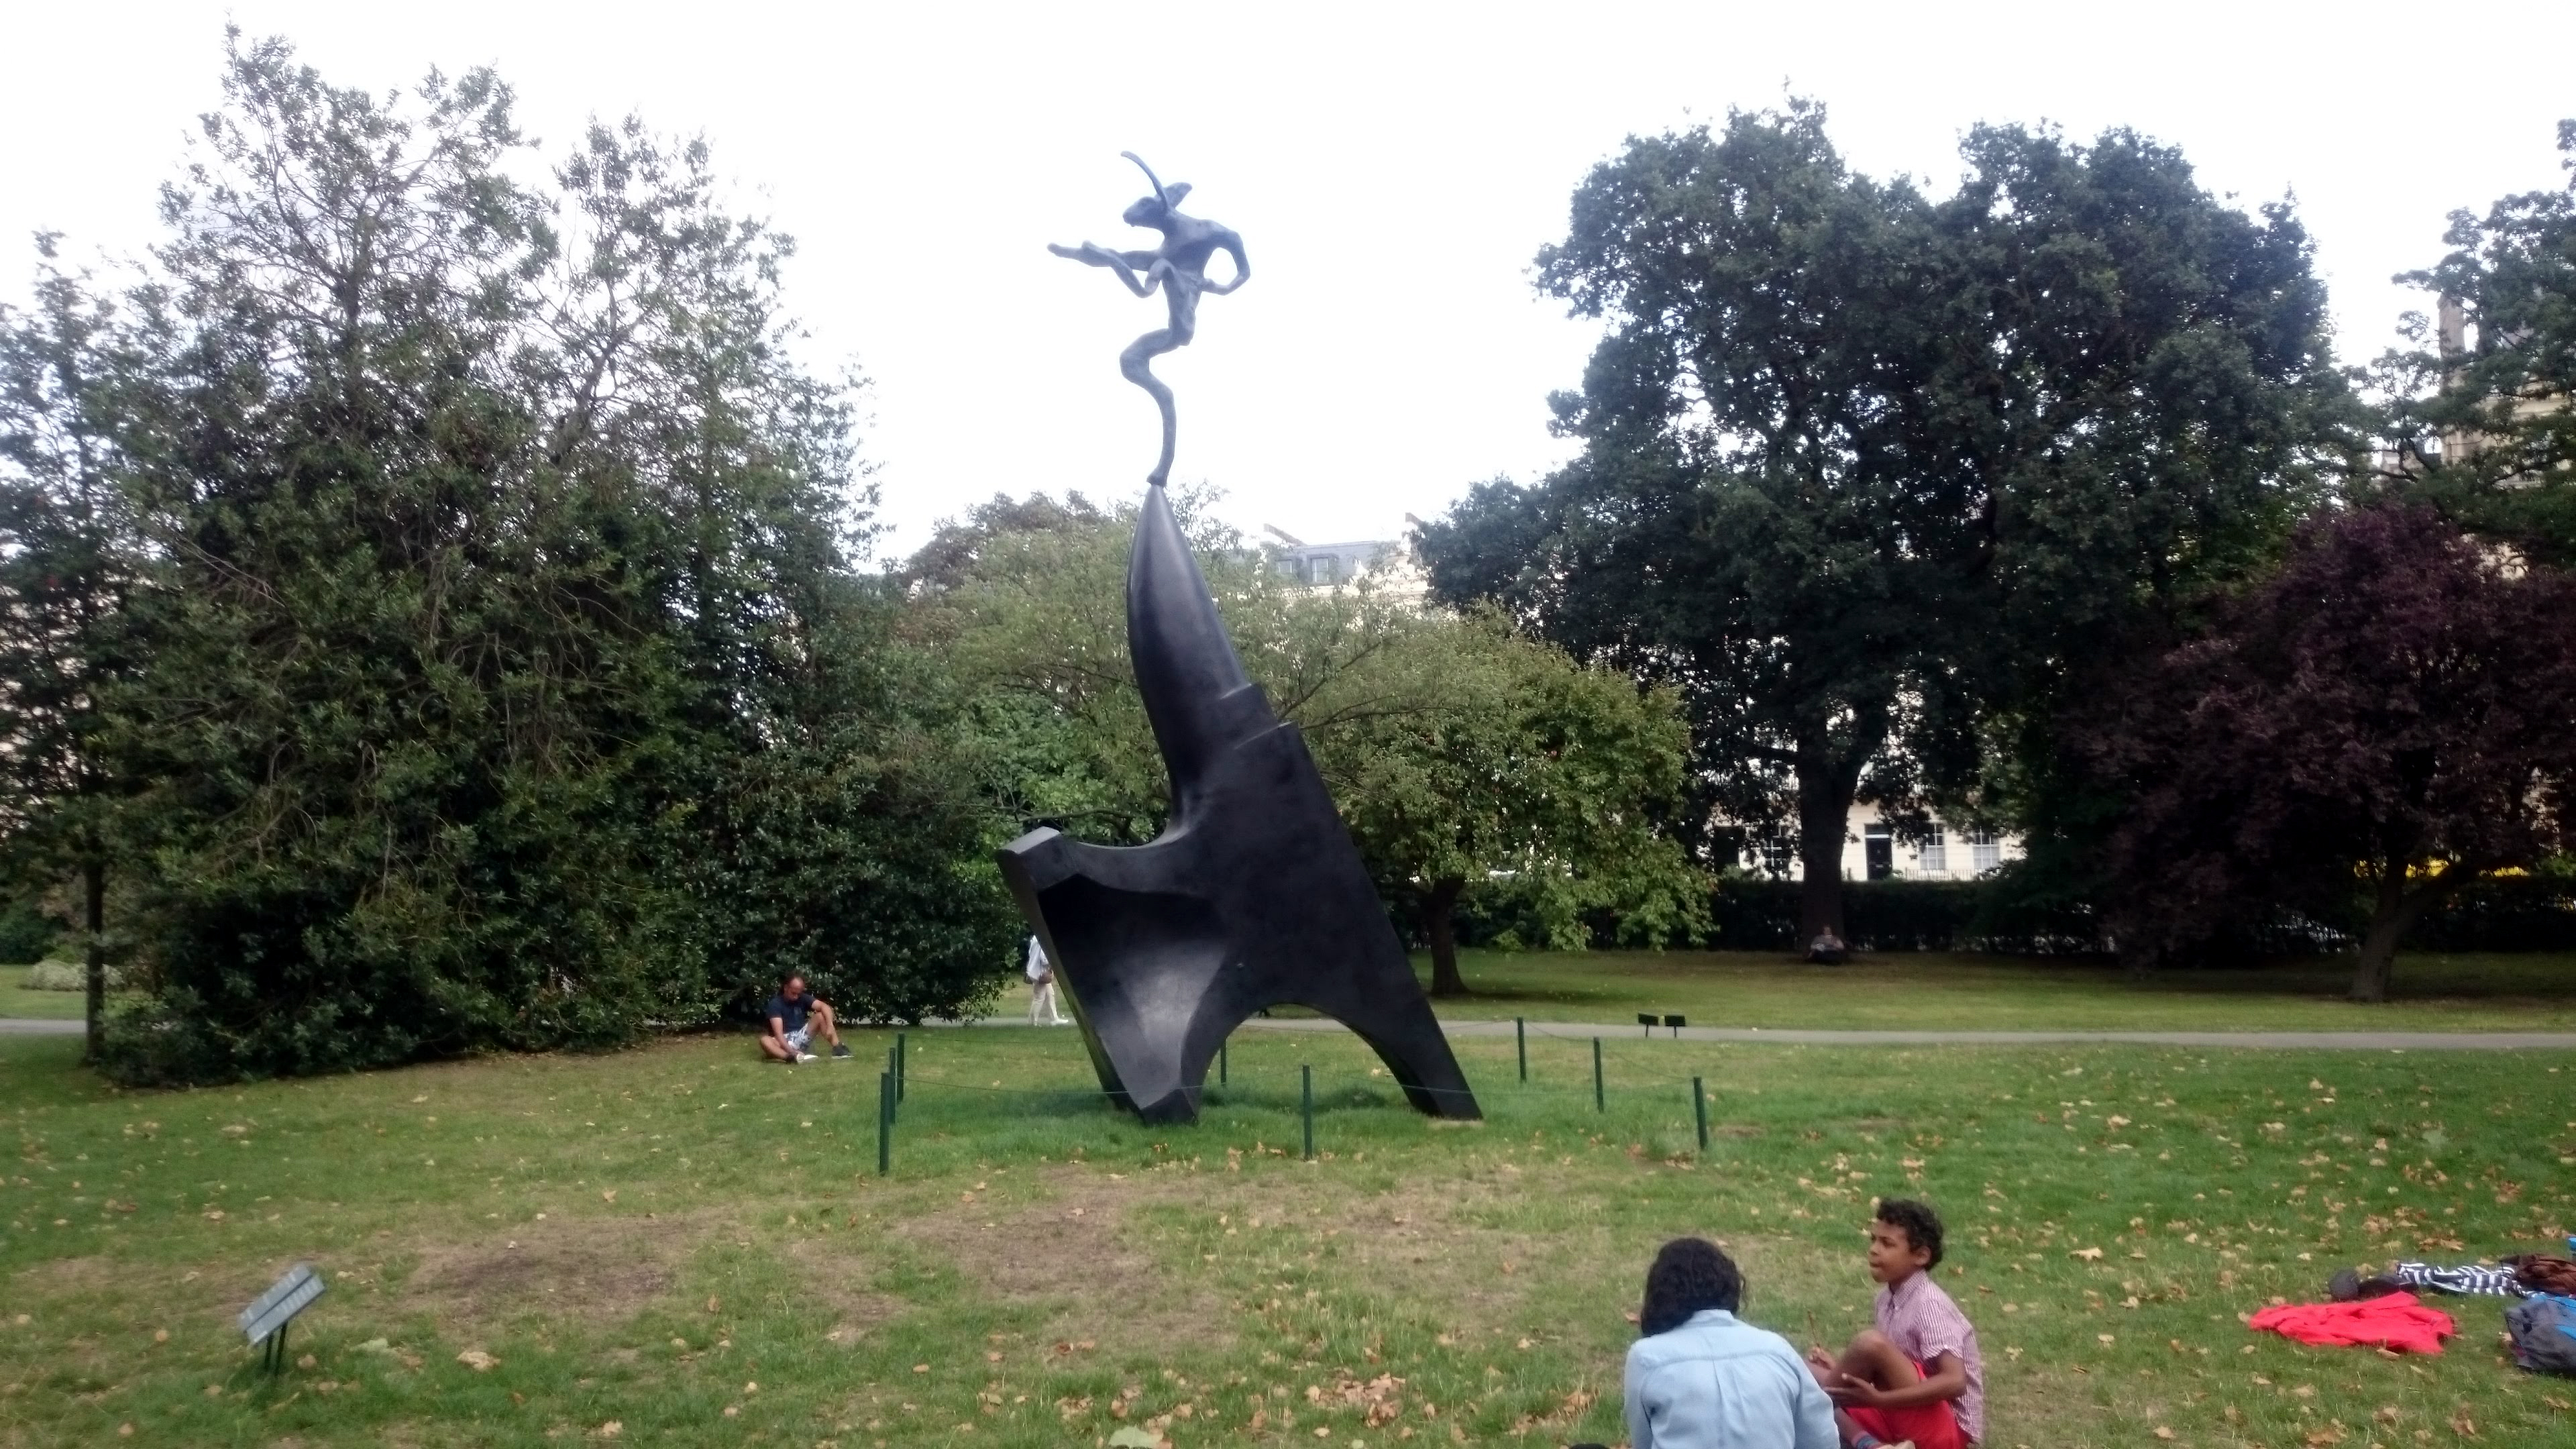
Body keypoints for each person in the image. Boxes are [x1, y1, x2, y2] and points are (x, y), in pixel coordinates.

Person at [1623, 1237, 1839, 1449]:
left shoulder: (1647, 1358)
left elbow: (1644, 1441)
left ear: (1659, 1295)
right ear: (1730, 1285)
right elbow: (1822, 1437)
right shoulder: (1777, 1350)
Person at [1808, 1198, 1984, 1449]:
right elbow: (1890, 1371)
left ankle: (1803, 1412)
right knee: (1803, 1370)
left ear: (1921, 1256)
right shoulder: (1885, 1299)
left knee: (1868, 1345)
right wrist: (1843, 1370)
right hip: (1902, 1414)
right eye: (1873, 1240)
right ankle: (1873, 1446)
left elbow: (1955, 1381)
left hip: (1945, 1430)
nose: (1874, 1250)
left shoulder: (1929, 1303)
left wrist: (1880, 1400)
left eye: (1887, 1244)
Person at [758, 974, 851, 1064]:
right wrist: (791, 1051)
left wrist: (830, 1025)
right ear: (786, 988)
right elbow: (778, 1034)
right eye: (793, 993)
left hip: (799, 1036)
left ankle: (838, 1048)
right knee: (765, 1040)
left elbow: (824, 1006)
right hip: (782, 1040)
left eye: (798, 994)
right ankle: (790, 1058)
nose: (796, 997)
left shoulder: (803, 998)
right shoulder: (775, 1004)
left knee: (820, 1016)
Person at [1026, 934, 1069, 1026]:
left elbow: (1031, 953)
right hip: (1040, 974)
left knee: (1050, 994)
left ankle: (1054, 1019)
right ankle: (1032, 1022)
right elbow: (1044, 959)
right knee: (1039, 998)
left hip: (1036, 971)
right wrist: (1053, 965)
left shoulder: (1035, 939)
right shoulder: (1043, 940)